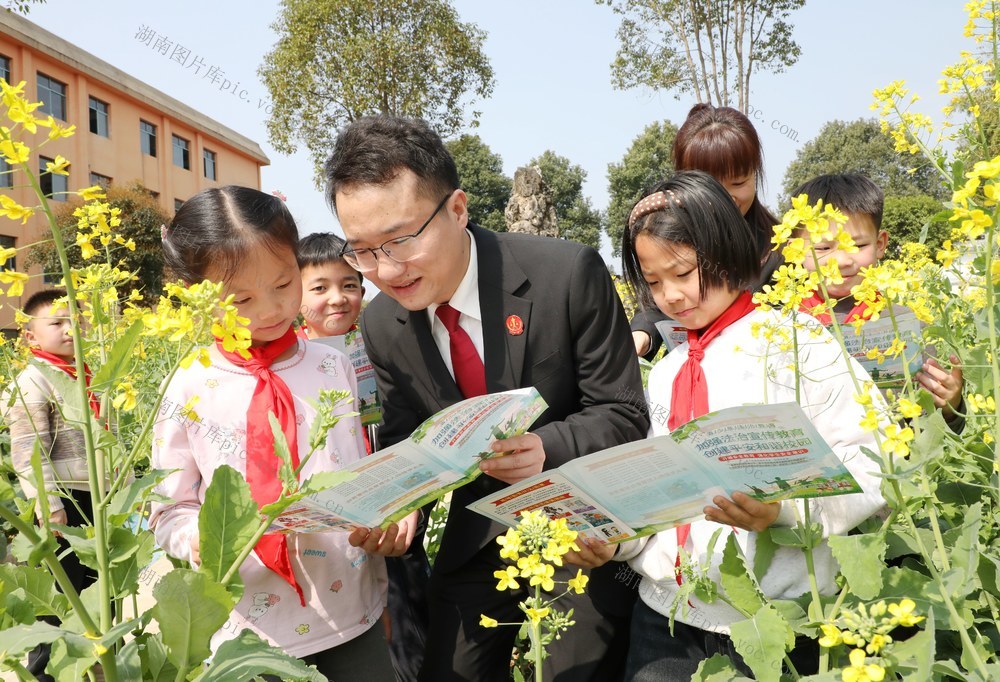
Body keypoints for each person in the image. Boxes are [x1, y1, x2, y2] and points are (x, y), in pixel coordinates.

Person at [324, 115, 650, 682]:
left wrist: (546, 447)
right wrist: (403, 508)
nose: (386, 270)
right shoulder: (382, 323)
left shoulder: (566, 274)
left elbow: (624, 412)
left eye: (401, 240)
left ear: (456, 209)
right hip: (480, 540)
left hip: (579, 535)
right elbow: (407, 438)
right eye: (363, 252)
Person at [571, 171, 888, 680]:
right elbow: (656, 494)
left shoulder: (799, 343)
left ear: (726, 251)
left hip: (777, 619)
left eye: (684, 272)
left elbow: (878, 464)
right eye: (653, 282)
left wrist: (783, 511)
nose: (670, 296)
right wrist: (613, 539)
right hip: (665, 615)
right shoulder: (669, 370)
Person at [150, 186, 407, 680]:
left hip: (350, 610)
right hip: (247, 629)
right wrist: (199, 539)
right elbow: (169, 510)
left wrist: (384, 522)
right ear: (194, 292)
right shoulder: (187, 384)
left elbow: (355, 476)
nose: (268, 310)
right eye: (241, 298)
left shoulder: (333, 365)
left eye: (285, 284)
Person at [789, 173, 964, 429]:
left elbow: (933, 430)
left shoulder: (907, 326)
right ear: (795, 249)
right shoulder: (783, 327)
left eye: (858, 245)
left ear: (880, 244)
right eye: (823, 249)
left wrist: (951, 407)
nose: (842, 260)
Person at [631, 103, 782, 361]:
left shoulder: (783, 249)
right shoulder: (668, 236)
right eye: (709, 187)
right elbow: (656, 307)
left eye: (738, 182)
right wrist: (642, 333)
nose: (724, 198)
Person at [5, 289, 98, 682]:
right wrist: (49, 505)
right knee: (60, 602)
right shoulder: (33, 381)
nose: (69, 330)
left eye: (76, 321)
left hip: (96, 499)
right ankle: (43, 675)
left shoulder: (86, 373)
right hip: (64, 503)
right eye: (57, 323)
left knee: (98, 597)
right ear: (30, 337)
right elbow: (29, 451)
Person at [298, 232, 366, 339]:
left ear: (361, 294)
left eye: (349, 286)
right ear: (295, 299)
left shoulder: (379, 351)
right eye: (319, 288)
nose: (338, 299)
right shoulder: (284, 355)